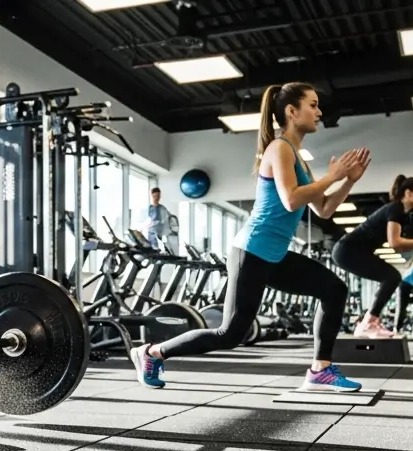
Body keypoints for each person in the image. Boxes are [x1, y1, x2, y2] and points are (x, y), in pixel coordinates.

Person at [129, 82, 369, 393]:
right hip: (252, 252)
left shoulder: (298, 156)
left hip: (275, 255)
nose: (319, 111)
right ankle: (151, 353)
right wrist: (332, 177)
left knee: (334, 290)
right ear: (292, 112)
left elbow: (323, 209)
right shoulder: (279, 148)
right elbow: (291, 199)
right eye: (313, 104)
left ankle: (319, 369)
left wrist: (347, 181)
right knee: (229, 334)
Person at [329, 175, 413, 338]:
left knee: (390, 277)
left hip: (351, 252)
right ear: (408, 193)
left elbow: (398, 246)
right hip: (347, 250)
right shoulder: (396, 209)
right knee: (392, 276)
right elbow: (394, 242)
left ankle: (368, 322)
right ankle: (368, 323)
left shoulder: (401, 213)